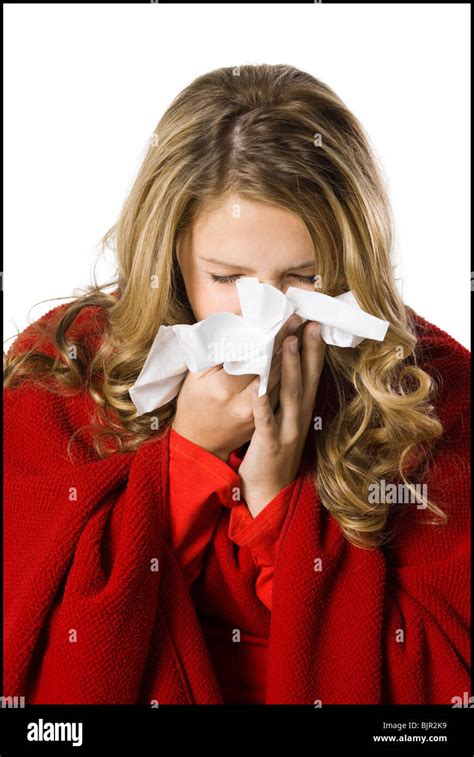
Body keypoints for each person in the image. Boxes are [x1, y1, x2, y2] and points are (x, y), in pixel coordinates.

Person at [3, 63, 470, 705]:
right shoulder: (65, 371)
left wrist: (277, 492)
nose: (266, 314)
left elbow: (436, 670)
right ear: (171, 257)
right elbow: (39, 646)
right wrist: (187, 461)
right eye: (227, 279)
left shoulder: (429, 390)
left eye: (303, 277)